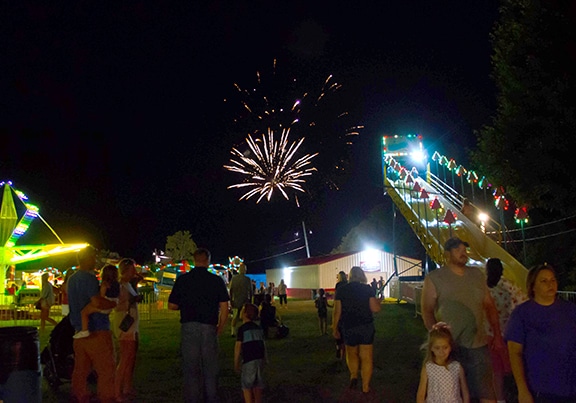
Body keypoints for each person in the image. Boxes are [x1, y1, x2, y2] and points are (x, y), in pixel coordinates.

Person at [421, 237, 503, 403]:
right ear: (447, 254)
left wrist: (497, 334)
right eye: (457, 250)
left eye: (464, 249)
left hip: (478, 345)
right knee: (451, 393)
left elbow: (489, 305)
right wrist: (435, 333)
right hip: (450, 347)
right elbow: (427, 310)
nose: (463, 253)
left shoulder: (477, 275)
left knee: (486, 391)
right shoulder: (435, 278)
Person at [505, 264, 576, 402]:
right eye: (544, 281)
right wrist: (522, 389)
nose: (550, 284)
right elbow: (515, 352)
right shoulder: (522, 314)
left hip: (570, 386)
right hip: (541, 388)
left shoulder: (570, 310)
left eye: (553, 280)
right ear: (533, 286)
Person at [168, 248, 230, 403]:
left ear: (194, 260)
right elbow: (224, 307)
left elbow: (172, 305)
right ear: (208, 260)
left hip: (189, 326)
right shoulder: (216, 280)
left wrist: (187, 305)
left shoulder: (183, 280)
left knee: (191, 368)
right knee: (210, 367)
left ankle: (193, 398)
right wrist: (220, 327)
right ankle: (212, 397)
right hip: (209, 327)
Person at [68, 245, 117, 403]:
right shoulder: (89, 278)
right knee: (106, 368)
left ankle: (79, 395)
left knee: (81, 369)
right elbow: (96, 302)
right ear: (88, 259)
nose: (95, 260)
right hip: (97, 330)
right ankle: (107, 397)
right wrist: (111, 304)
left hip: (79, 331)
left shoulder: (72, 279)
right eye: (93, 257)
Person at [332, 266, 381, 394]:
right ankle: (365, 386)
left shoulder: (342, 290)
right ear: (362, 276)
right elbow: (375, 309)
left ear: (350, 276)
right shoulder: (367, 289)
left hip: (348, 326)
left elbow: (337, 311)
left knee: (351, 353)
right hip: (365, 326)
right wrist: (379, 302)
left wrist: (335, 327)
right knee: (366, 357)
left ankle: (353, 375)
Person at [485, 258, 527, 403]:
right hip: (508, 334)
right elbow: (523, 302)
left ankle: (500, 399)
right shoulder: (508, 286)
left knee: (496, 371)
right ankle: (519, 394)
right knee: (514, 367)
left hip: (489, 334)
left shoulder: (484, 287)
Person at [416, 322, 470, 403]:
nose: (441, 352)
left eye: (445, 347)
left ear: (450, 347)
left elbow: (465, 391)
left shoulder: (457, 367)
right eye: (437, 348)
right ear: (431, 348)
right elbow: (421, 393)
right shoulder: (428, 367)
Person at [113, 258, 142, 402]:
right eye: (132, 269)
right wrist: (131, 301)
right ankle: (117, 391)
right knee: (125, 357)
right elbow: (117, 305)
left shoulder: (128, 284)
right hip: (125, 323)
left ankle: (126, 387)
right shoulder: (119, 285)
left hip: (131, 321)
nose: (135, 272)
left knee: (130, 357)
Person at [73, 264, 120, 339]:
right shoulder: (116, 284)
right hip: (112, 303)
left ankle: (84, 330)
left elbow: (102, 296)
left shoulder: (104, 284)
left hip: (105, 303)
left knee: (84, 312)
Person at [234, 303, 266, 403]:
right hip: (259, 359)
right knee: (258, 384)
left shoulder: (242, 329)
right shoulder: (258, 328)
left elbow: (238, 347)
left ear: (245, 314)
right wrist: (265, 359)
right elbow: (263, 344)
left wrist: (236, 362)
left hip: (248, 360)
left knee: (246, 385)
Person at [229, 262, 253, 337]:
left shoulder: (234, 278)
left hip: (236, 301)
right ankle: (244, 331)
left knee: (235, 317)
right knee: (245, 316)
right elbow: (251, 291)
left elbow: (231, 290)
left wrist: (231, 300)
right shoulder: (247, 279)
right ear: (245, 270)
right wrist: (250, 301)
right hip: (245, 301)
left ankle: (233, 331)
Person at [333, 270, 348, 360]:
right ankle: (344, 354)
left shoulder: (338, 286)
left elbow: (336, 297)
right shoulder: (348, 284)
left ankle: (338, 347)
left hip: (340, 308)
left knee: (339, 331)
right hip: (347, 310)